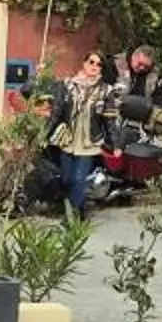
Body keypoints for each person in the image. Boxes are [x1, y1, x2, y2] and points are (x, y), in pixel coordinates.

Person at [48, 53, 112, 218]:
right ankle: (79, 207)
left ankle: (72, 216)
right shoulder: (67, 85)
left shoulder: (105, 91)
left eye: (99, 64)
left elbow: (109, 120)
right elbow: (57, 112)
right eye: (91, 62)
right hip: (68, 140)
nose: (94, 66)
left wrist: (115, 144)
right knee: (66, 179)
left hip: (89, 143)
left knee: (78, 179)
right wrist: (45, 133)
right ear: (84, 63)